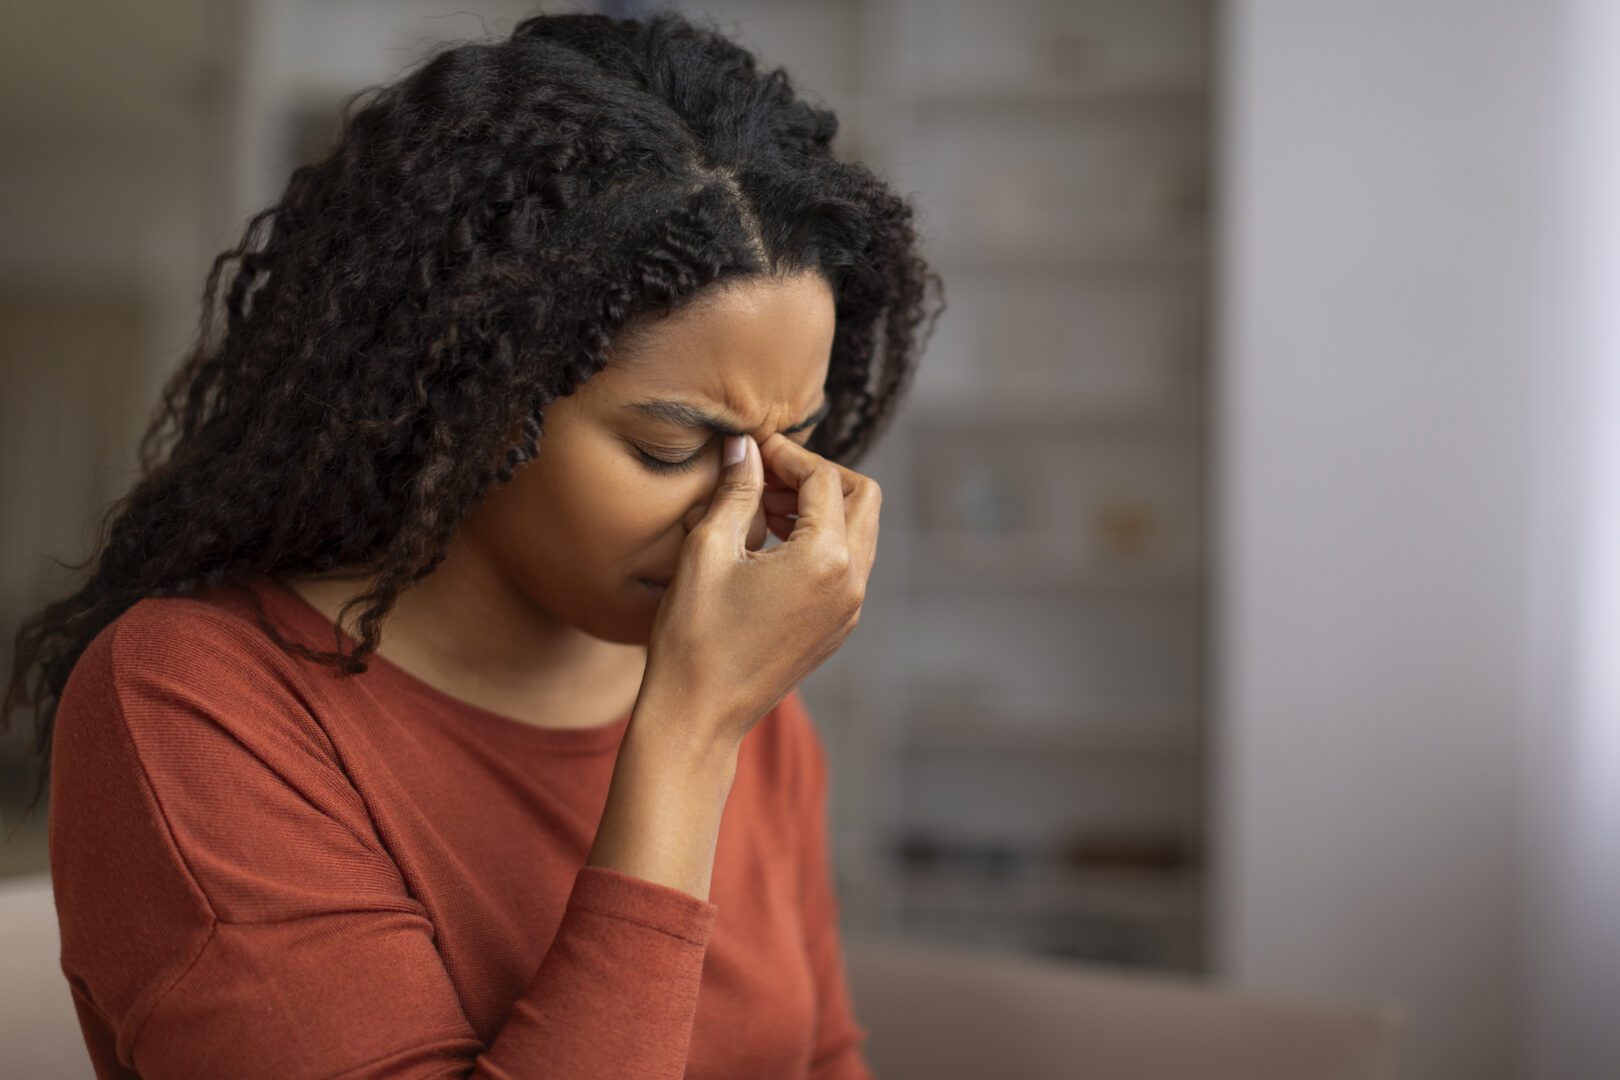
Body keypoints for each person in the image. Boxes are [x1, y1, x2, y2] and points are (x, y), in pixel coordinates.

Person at [2, 8, 943, 1077]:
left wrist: (713, 712)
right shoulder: (196, 705)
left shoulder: (743, 686)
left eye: (797, 441)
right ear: (466, 401)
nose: (752, 514)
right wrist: (687, 735)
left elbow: (817, 1059)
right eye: (671, 446)